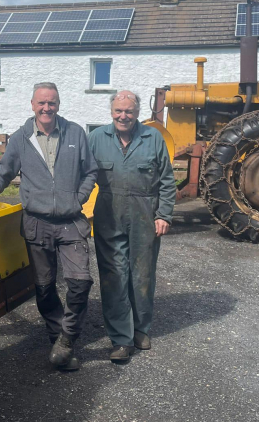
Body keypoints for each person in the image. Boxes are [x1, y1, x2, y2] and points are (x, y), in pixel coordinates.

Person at [0, 82, 97, 371]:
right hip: (36, 223)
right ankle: (56, 337)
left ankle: (68, 338)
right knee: (44, 288)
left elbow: (90, 171)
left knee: (80, 282)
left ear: (59, 104)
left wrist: (78, 198)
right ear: (32, 104)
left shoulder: (75, 133)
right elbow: (4, 170)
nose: (47, 108)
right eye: (42, 103)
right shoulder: (21, 138)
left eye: (52, 103)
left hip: (70, 221)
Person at [87, 90, 176, 364]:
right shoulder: (96, 138)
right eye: (118, 111)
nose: (123, 116)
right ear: (111, 111)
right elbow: (82, 176)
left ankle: (140, 328)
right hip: (108, 213)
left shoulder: (153, 138)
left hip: (145, 214)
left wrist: (164, 214)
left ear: (137, 113)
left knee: (142, 275)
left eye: (129, 111)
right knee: (114, 276)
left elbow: (167, 180)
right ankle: (121, 339)